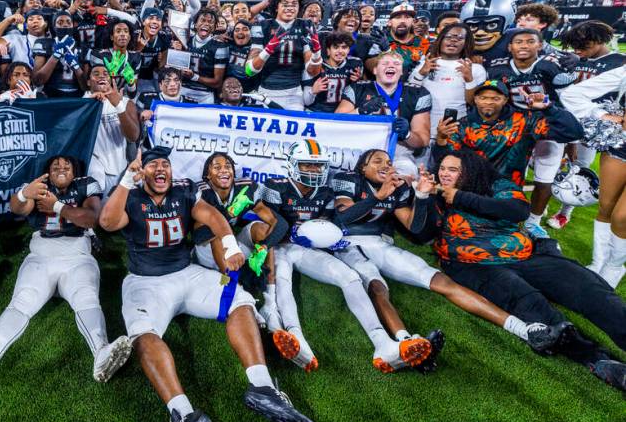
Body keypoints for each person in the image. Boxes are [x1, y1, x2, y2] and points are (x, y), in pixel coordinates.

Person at [99, 146, 314, 422]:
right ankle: (185, 417)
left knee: (240, 301)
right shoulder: (129, 195)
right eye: (153, 164)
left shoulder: (184, 191)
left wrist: (229, 246)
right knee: (142, 335)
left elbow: (213, 217)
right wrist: (127, 179)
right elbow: (107, 222)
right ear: (142, 172)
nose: (160, 169)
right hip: (146, 282)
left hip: (186, 274)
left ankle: (262, 387)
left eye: (165, 165)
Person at [420, 149, 626, 392]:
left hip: (527, 254)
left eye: (452, 170)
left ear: (471, 171)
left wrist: (461, 197)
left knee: (589, 289)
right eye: (442, 168)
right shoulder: (433, 194)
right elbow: (420, 233)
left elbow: (517, 210)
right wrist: (424, 197)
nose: (444, 174)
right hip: (474, 264)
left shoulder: (495, 184)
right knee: (530, 304)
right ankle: (598, 360)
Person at [331, 149, 563, 361]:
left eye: (389, 161)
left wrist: (421, 198)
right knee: (376, 287)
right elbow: (344, 217)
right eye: (377, 161)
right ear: (362, 167)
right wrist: (378, 197)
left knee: (441, 281)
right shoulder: (348, 180)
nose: (386, 165)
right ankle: (405, 342)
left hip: (381, 244)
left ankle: (525, 330)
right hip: (349, 242)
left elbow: (415, 229)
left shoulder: (397, 186)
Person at [260, 140, 435, 373]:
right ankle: (296, 337)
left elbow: (336, 221)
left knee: (351, 278)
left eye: (318, 166)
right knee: (283, 279)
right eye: (307, 165)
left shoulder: (325, 191)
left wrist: (329, 236)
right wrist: (290, 234)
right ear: (292, 165)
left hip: (308, 248)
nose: (314, 171)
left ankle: (382, 343)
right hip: (280, 247)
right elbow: (268, 225)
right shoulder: (275, 186)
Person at [0, 156, 132, 389]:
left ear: (75, 172)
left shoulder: (86, 184)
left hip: (77, 256)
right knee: (22, 302)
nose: (61, 169)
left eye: (66, 166)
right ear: (48, 173)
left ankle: (102, 354)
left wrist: (57, 207)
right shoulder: (38, 186)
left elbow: (93, 219)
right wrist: (24, 194)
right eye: (55, 167)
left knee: (87, 298)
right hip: (41, 255)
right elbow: (17, 207)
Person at [192, 152, 304, 366]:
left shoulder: (245, 188)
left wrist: (264, 247)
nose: (224, 169)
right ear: (207, 175)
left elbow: (279, 224)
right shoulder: (201, 193)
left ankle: (269, 303)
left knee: (262, 229)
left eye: (228, 166)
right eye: (216, 167)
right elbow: (198, 234)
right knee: (218, 236)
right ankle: (237, 291)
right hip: (206, 252)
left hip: (233, 244)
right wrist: (228, 213)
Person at [486, 28, 577, 236]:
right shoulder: (498, 69)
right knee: (509, 175)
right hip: (518, 129)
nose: (524, 45)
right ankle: (508, 213)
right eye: (518, 42)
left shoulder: (551, 67)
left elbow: (569, 104)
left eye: (530, 41)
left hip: (549, 129)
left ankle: (532, 223)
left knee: (543, 179)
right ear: (510, 47)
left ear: (540, 45)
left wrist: (571, 142)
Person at [434, 79, 582, 189]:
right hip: (469, 188)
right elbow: (446, 161)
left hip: (507, 191)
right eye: (483, 98)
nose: (489, 102)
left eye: (495, 98)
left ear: (505, 100)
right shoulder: (462, 125)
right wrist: (441, 139)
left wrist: (549, 108)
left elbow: (573, 132)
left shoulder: (526, 121)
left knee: (516, 215)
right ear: (476, 99)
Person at [549, 21, 625, 230]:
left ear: (600, 41)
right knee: (553, 162)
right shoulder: (573, 59)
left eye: (584, 47)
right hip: (566, 118)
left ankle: (565, 212)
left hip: (599, 126)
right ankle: (544, 201)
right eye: (575, 47)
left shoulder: (619, 63)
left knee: (580, 166)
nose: (578, 51)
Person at [560, 66, 626, 287]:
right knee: (606, 207)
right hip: (620, 146)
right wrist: (603, 115)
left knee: (622, 216)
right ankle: (598, 262)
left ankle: (614, 267)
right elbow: (572, 94)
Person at [346, 50, 431, 178]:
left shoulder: (417, 93)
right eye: (385, 63)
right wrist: (360, 111)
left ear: (402, 71)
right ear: (374, 70)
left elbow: (422, 140)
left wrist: (407, 134)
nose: (391, 66)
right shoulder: (358, 88)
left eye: (396, 64)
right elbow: (337, 123)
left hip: (398, 151)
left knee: (407, 173)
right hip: (362, 149)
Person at [407, 22, 486, 150]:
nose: (453, 40)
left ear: (467, 43)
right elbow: (410, 97)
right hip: (422, 132)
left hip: (455, 134)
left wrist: (469, 79)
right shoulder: (425, 63)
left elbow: (474, 103)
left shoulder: (475, 69)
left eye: (460, 38)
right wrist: (422, 73)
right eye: (449, 36)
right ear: (440, 39)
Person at [248, 0, 322, 109]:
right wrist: (268, 50)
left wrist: (316, 54)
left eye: (294, 4)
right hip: (266, 93)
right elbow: (249, 70)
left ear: (299, 7)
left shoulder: (305, 26)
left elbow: (313, 72)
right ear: (276, 6)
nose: (290, 7)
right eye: (285, 4)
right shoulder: (262, 25)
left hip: (294, 95)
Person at [84, 63, 140, 196]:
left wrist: (118, 105)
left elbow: (133, 136)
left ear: (111, 79)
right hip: (92, 168)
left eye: (105, 73)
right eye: (96, 74)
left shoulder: (126, 102)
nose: (101, 76)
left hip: (119, 169)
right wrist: (88, 105)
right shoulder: (80, 103)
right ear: (88, 82)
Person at [178, 9, 228, 104]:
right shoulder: (184, 41)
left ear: (214, 27)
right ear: (195, 24)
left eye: (210, 22)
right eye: (202, 20)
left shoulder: (220, 47)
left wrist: (194, 77)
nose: (206, 24)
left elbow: (217, 82)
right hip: (182, 90)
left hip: (205, 94)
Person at [305, 31, 362, 113]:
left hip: (340, 113)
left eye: (344, 47)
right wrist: (313, 92)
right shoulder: (317, 66)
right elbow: (306, 101)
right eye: (336, 47)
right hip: (314, 112)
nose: (340, 51)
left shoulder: (355, 64)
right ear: (328, 50)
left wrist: (356, 82)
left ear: (349, 50)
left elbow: (354, 95)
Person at [384, 2, 429, 77]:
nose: (402, 21)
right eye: (398, 17)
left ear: (413, 22)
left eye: (407, 17)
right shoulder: (380, 40)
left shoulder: (423, 43)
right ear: (389, 22)